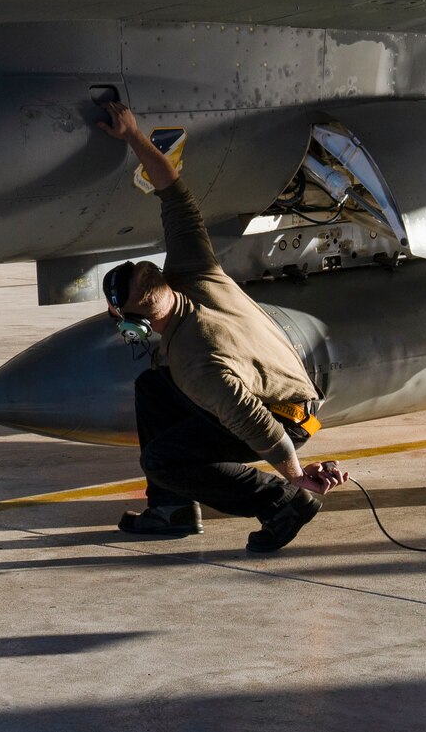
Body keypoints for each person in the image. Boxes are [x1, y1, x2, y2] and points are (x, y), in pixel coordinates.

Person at [96, 98, 349, 553]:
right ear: (136, 315)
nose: (136, 271)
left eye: (133, 267)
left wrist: (134, 136)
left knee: (161, 458)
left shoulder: (193, 276)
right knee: (153, 389)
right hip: (279, 409)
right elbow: (250, 421)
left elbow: (173, 194)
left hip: (284, 417)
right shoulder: (189, 345)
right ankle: (172, 508)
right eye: (128, 283)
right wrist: (299, 475)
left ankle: (279, 503)